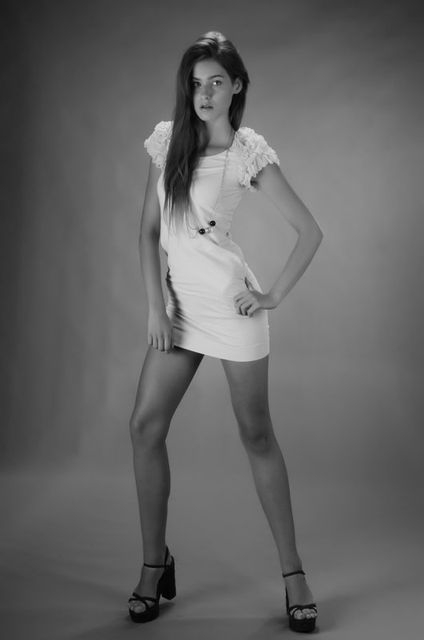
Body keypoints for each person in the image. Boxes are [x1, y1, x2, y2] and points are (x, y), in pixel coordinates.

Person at [127, 31, 323, 633]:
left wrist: (270, 296)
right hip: (179, 309)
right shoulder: (168, 142)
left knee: (256, 434)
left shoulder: (246, 152)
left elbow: (310, 231)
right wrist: (156, 307)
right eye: (196, 83)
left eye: (217, 82)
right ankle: (155, 565)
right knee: (144, 426)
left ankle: (294, 574)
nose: (205, 93)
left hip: (231, 309)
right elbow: (148, 232)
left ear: (237, 86)